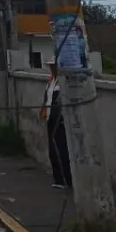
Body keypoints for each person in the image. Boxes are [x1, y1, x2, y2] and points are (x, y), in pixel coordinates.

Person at [40, 61, 72, 189]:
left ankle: (66, 179)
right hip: (50, 118)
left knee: (62, 149)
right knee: (52, 150)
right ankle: (58, 178)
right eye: (51, 66)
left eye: (54, 66)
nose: (52, 69)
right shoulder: (51, 81)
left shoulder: (63, 83)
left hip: (60, 119)